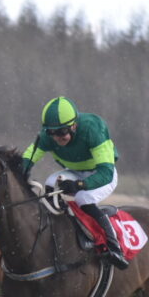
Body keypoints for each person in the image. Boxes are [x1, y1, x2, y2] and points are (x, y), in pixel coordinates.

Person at [20, 96, 128, 269]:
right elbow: (28, 158)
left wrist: (79, 186)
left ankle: (114, 246)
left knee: (83, 198)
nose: (57, 137)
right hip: (74, 172)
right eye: (52, 133)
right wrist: (20, 172)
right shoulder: (47, 137)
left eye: (62, 131)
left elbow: (106, 173)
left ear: (74, 125)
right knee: (50, 183)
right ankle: (59, 233)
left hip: (101, 174)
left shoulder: (93, 129)